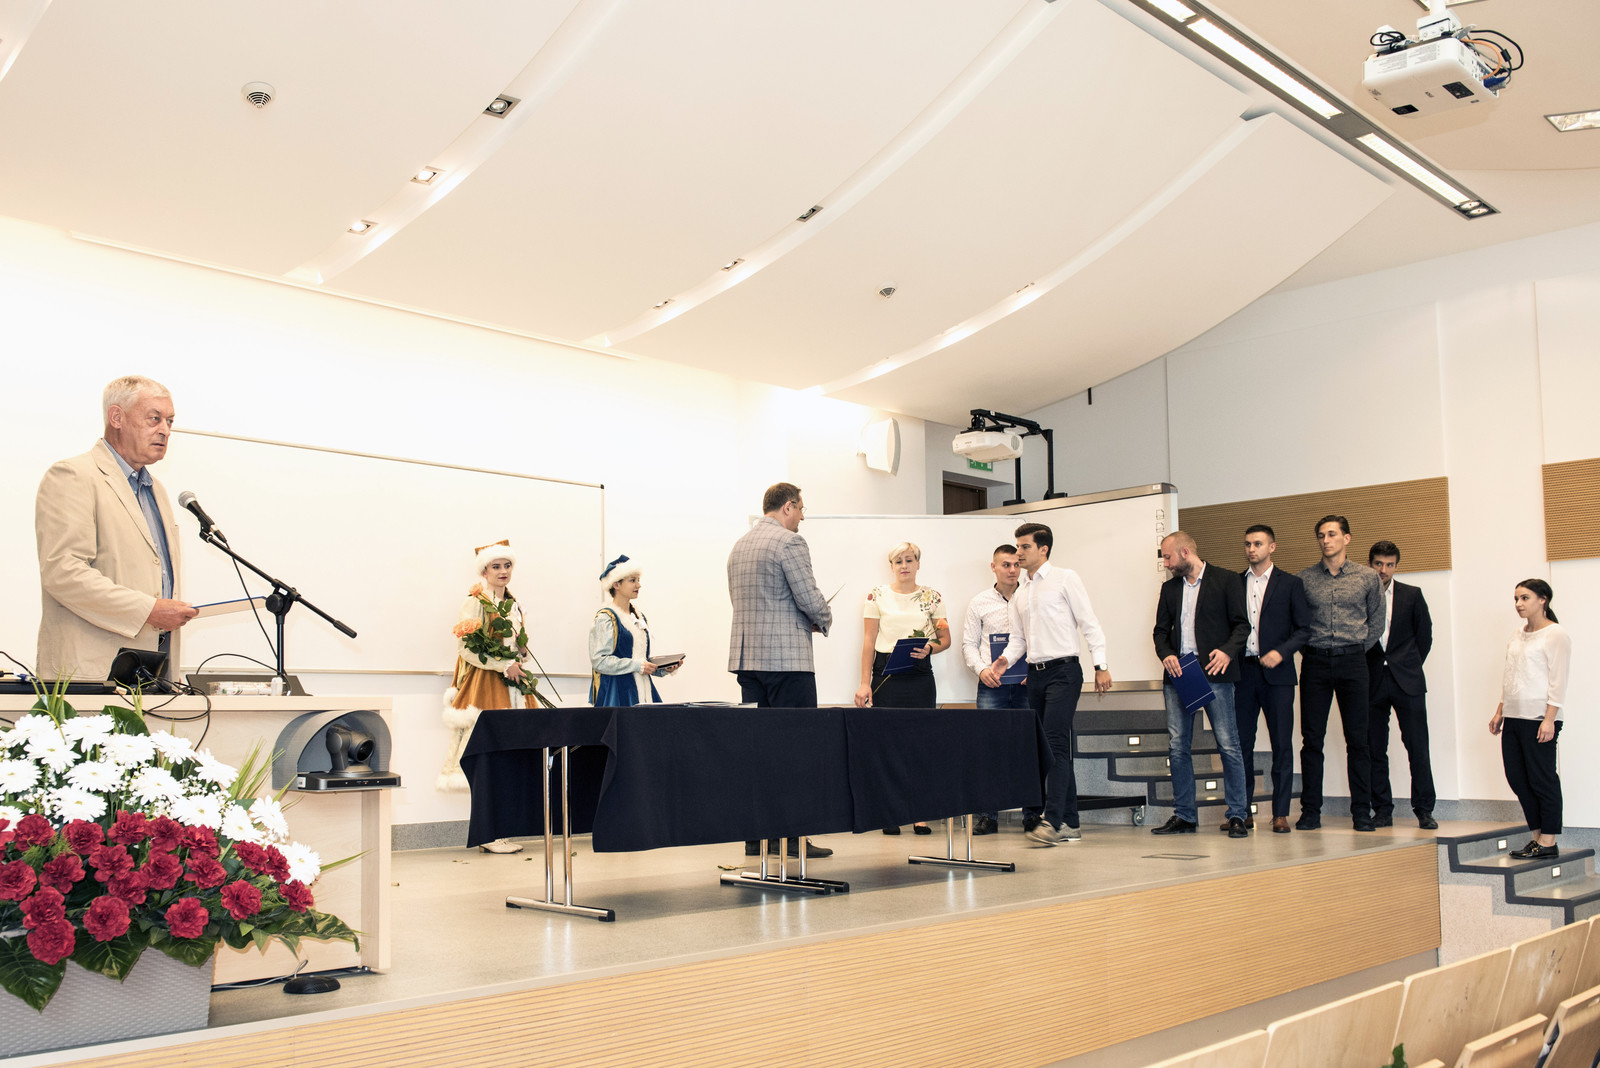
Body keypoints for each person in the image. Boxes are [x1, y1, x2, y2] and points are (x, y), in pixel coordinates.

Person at [36, 375, 198, 683]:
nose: (165, 430)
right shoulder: (73, 476)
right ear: (117, 417)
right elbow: (63, 573)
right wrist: (148, 610)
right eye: (154, 419)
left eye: (170, 421)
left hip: (153, 673)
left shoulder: (157, 490)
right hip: (91, 675)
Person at [727, 482, 834, 859]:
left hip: (748, 661)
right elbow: (809, 597)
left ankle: (757, 837)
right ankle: (791, 837)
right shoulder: (790, 543)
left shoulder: (740, 546)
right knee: (796, 750)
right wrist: (824, 618)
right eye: (801, 509)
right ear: (788, 506)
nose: (802, 517)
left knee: (758, 751)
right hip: (787, 662)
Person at [991, 522, 1111, 846]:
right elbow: (1019, 638)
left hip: (1064, 672)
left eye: (1025, 547)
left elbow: (1089, 624)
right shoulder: (1022, 592)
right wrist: (1004, 660)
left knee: (1056, 743)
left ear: (1043, 549)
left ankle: (1053, 821)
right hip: (1035, 675)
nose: (1018, 553)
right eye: (1018, 546)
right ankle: (1071, 822)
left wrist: (1101, 665)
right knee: (1049, 748)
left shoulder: (1065, 578)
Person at [1150, 532, 1251, 837]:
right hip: (1180, 673)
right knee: (1178, 746)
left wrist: (1227, 651)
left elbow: (1242, 625)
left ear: (1185, 552)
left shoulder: (1226, 580)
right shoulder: (1169, 588)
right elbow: (1160, 632)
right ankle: (1184, 815)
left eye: (1168, 557)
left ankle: (1237, 815)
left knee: (1229, 745)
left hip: (1215, 672)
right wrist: (1166, 654)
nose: (1166, 564)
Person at [440, 540, 538, 853]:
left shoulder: (513, 603)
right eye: (496, 566)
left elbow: (514, 646)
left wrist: (521, 653)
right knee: (488, 759)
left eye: (507, 565)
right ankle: (487, 834)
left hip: (513, 688)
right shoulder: (476, 602)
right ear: (484, 571)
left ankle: (499, 831)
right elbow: (466, 648)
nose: (503, 571)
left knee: (508, 760)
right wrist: (502, 664)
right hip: (487, 686)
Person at [854, 541, 950, 835]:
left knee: (922, 743)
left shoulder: (932, 597)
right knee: (888, 744)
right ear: (891, 566)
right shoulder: (876, 595)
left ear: (918, 564)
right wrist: (864, 683)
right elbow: (869, 642)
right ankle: (890, 813)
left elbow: (944, 638)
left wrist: (930, 648)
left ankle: (920, 813)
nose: (904, 566)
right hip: (886, 674)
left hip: (919, 675)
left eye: (909, 560)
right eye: (899, 561)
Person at [1295, 515, 1384, 832]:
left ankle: (1361, 812)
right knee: (1311, 740)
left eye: (1332, 534)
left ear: (1347, 538)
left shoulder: (1367, 577)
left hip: (1353, 662)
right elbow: (1298, 624)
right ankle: (1310, 811)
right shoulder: (1304, 579)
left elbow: (1376, 623)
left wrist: (1355, 648)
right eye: (1321, 535)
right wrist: (1313, 649)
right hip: (1315, 662)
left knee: (1358, 741)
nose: (1326, 540)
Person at [1235, 525, 1312, 834]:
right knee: (1241, 744)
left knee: (1281, 744)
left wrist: (1281, 652)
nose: (1251, 549)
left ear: (1272, 547)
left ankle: (1280, 813)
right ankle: (1241, 812)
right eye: (1247, 544)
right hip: (1243, 672)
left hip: (1278, 674)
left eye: (1258, 543)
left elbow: (1304, 629)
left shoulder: (1290, 584)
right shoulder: (1235, 583)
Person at [1490, 579, 1571, 860]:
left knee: (1542, 778)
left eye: (1525, 598)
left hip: (1539, 718)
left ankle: (1548, 841)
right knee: (1517, 777)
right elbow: (1510, 674)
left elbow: (1559, 681)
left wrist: (1549, 719)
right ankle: (1537, 838)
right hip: (1514, 716)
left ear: (1543, 599)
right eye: (1516, 599)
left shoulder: (1556, 634)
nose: (1518, 604)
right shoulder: (1517, 634)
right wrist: (1500, 711)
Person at [1365, 541, 1437, 830]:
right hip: (1371, 680)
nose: (1384, 570)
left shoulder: (1412, 594)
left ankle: (1424, 810)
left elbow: (1425, 637)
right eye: (1378, 564)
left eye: (1389, 564)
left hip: (1407, 680)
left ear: (1396, 566)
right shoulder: (1359, 595)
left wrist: (1408, 664)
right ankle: (1382, 810)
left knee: (1418, 747)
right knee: (1374, 749)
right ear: (1370, 564)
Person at [963, 544, 1029, 835]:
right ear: (993, 567)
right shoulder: (979, 602)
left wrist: (1033, 671)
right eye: (1005, 564)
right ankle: (987, 816)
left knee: (1027, 749)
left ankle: (1032, 815)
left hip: (1027, 685)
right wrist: (982, 670)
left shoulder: (1031, 597)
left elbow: (1040, 637)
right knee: (988, 750)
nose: (1012, 570)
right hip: (992, 686)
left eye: (1016, 564)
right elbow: (969, 644)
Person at [590, 555, 677, 706]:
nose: (638, 585)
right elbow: (600, 661)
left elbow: (640, 660)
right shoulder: (606, 618)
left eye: (638, 580)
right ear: (616, 585)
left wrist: (662, 668)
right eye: (632, 580)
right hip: (618, 692)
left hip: (643, 691)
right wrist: (638, 665)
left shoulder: (638, 617)